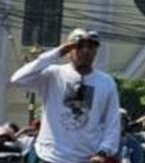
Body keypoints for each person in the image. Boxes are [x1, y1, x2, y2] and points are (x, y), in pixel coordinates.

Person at [9, 29, 122, 163]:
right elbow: (17, 79)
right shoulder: (53, 74)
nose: (85, 51)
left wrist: (103, 152)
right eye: (79, 46)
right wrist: (56, 53)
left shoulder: (106, 82)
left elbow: (112, 123)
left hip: (86, 158)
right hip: (49, 157)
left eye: (91, 46)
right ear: (69, 50)